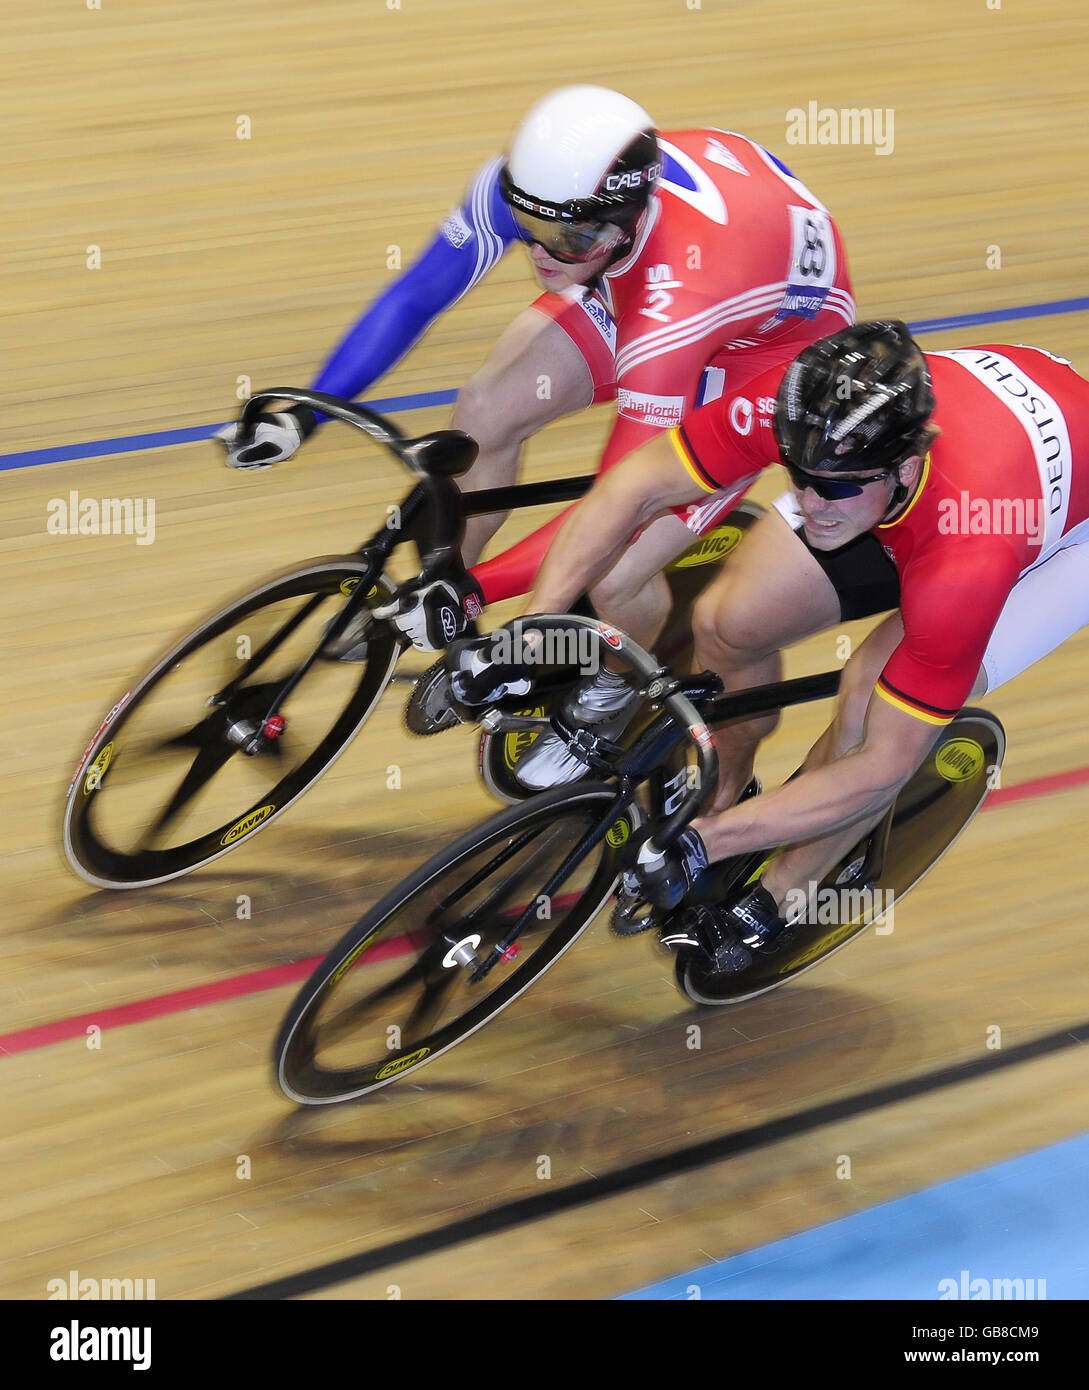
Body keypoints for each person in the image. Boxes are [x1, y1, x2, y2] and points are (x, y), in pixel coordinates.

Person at [217, 85, 856, 779]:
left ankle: (609, 694)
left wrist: (484, 593)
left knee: (618, 565)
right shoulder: (547, 197)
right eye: (526, 226)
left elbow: (618, 502)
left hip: (762, 350)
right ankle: (437, 592)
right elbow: (414, 296)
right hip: (661, 272)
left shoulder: (675, 307)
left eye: (568, 240)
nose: (542, 255)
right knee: (488, 406)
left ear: (624, 221)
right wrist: (305, 413)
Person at [453, 320, 1089, 976]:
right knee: (727, 623)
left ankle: (780, 899)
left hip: (1050, 533)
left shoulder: (967, 558)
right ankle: (722, 790)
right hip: (957, 451)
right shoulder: (807, 414)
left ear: (903, 465)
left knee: (867, 709)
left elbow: (883, 764)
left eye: (833, 486)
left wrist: (702, 846)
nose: (811, 502)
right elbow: (634, 485)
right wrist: (533, 627)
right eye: (797, 475)